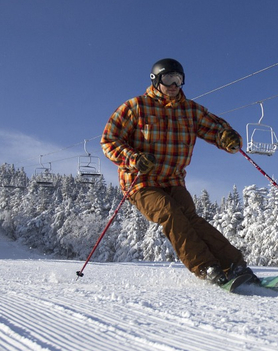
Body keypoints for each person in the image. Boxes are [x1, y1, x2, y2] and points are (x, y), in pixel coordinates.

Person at [101, 58, 256, 286]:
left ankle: (234, 265)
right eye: (168, 79)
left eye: (179, 80)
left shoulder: (190, 111)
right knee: (170, 213)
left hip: (173, 180)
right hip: (142, 181)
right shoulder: (136, 107)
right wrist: (134, 159)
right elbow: (109, 140)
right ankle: (206, 267)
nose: (174, 85)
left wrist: (228, 138)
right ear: (155, 81)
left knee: (191, 219)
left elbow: (216, 129)